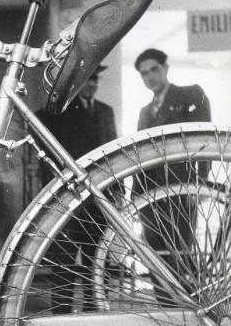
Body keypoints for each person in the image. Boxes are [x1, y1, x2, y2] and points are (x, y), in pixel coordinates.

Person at [38, 66, 119, 312]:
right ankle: (61, 316)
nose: (92, 83)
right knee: (65, 259)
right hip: (70, 199)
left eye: (95, 78)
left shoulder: (105, 111)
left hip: (99, 198)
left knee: (96, 259)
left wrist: (117, 193)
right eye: (88, 79)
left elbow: (114, 154)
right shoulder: (59, 112)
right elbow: (48, 156)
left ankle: (95, 311)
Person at [134, 48, 211, 304]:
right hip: (150, 199)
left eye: (154, 69)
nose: (150, 77)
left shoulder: (190, 94)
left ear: (166, 68)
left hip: (181, 191)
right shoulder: (145, 112)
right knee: (156, 259)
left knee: (181, 257)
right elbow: (140, 158)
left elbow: (204, 142)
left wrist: (199, 184)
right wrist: (136, 199)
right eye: (144, 73)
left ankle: (189, 319)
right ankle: (167, 320)